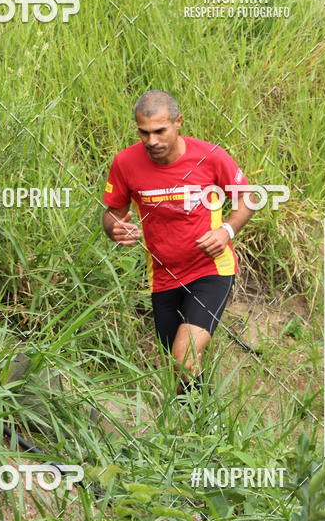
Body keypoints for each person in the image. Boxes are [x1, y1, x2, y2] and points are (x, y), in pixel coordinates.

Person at [102, 90, 256, 395]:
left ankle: (203, 433)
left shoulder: (210, 156)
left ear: (178, 123)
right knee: (177, 369)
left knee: (184, 357)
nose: (152, 141)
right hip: (162, 277)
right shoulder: (125, 163)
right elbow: (112, 214)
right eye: (144, 133)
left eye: (160, 131)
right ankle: (195, 431)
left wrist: (227, 230)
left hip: (210, 269)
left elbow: (247, 198)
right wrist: (115, 229)